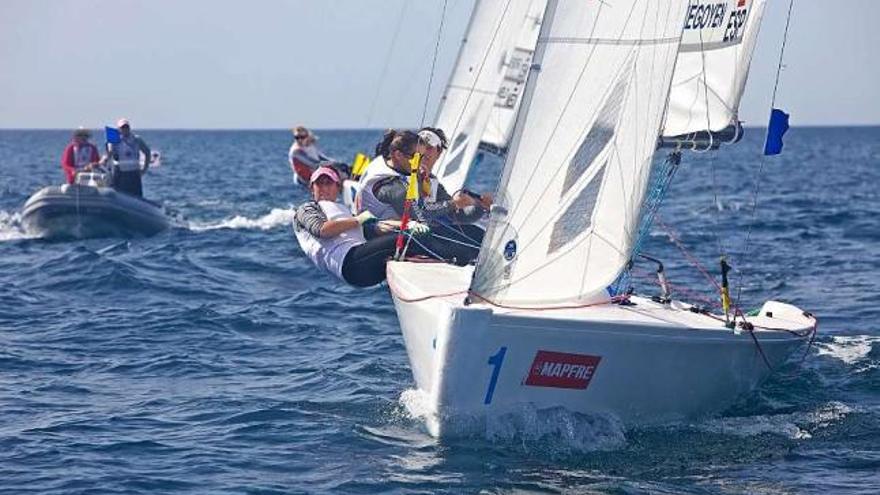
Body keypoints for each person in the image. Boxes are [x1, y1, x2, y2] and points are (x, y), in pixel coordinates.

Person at [357, 131, 487, 265]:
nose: (421, 161)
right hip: (381, 240)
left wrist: (478, 206)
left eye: (422, 156)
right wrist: (453, 204)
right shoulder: (393, 186)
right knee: (463, 247)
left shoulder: (393, 163)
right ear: (398, 155)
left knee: (477, 234)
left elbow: (452, 214)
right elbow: (422, 214)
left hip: (409, 229)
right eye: (416, 157)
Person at [294, 165, 429, 287]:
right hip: (350, 263)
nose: (324, 188)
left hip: (364, 261)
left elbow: (374, 228)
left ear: (338, 187)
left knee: (416, 236)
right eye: (319, 184)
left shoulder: (344, 210)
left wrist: (406, 225)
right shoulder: (307, 208)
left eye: (328, 183)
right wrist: (359, 219)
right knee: (408, 240)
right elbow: (322, 230)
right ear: (312, 188)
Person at [102, 118, 151, 197]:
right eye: (122, 128)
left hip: (134, 173)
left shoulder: (136, 139)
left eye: (126, 127)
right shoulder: (115, 140)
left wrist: (144, 169)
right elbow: (109, 153)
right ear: (119, 129)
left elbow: (147, 152)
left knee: (136, 196)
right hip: (120, 173)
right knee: (120, 195)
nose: (125, 129)